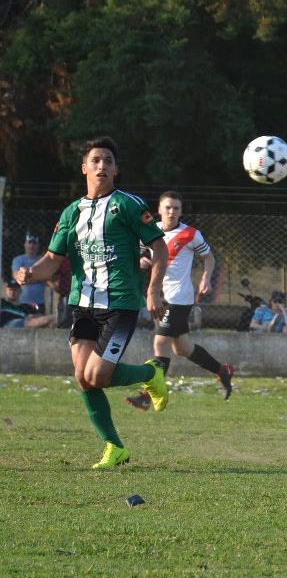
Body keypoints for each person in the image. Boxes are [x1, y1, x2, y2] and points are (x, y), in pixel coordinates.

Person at [14, 136, 169, 469]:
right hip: (82, 305)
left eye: (108, 161)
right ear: (85, 168)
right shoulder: (72, 212)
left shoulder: (127, 205)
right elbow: (52, 259)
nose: (102, 165)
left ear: (116, 170)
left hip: (121, 304)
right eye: (96, 160)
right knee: (83, 377)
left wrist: (153, 289)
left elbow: (159, 247)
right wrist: (29, 274)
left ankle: (150, 373)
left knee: (97, 375)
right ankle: (115, 447)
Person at [126, 191, 234, 410]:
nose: (172, 212)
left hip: (179, 297)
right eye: (167, 207)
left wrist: (206, 277)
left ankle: (148, 395)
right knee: (182, 348)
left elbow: (209, 258)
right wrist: (143, 261)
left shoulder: (191, 234)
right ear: (159, 209)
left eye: (176, 208)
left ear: (181, 211)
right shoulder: (149, 232)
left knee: (160, 343)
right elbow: (137, 256)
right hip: (159, 297)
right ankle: (222, 371)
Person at [11, 233, 46, 313]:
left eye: (34, 243)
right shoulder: (18, 260)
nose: (32, 245)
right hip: (22, 303)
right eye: (29, 242)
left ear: (38, 245)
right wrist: (38, 277)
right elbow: (17, 276)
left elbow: (47, 277)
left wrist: (26, 277)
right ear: (25, 244)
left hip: (39, 303)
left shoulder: (42, 260)